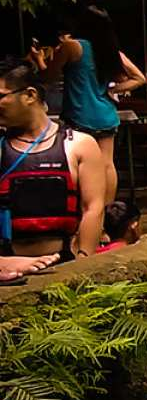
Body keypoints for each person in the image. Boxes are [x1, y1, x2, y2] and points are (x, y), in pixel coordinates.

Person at [0, 58, 106, 267]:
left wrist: (83, 262)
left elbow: (93, 207)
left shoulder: (79, 145)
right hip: (7, 266)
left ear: (30, 95)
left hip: (66, 261)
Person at [46, 5, 144, 205]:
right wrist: (112, 90)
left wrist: (39, 60)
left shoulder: (72, 47)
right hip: (106, 115)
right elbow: (139, 78)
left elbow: (49, 76)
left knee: (80, 164)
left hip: (79, 115)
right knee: (107, 164)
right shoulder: (110, 50)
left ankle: (87, 209)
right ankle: (107, 211)